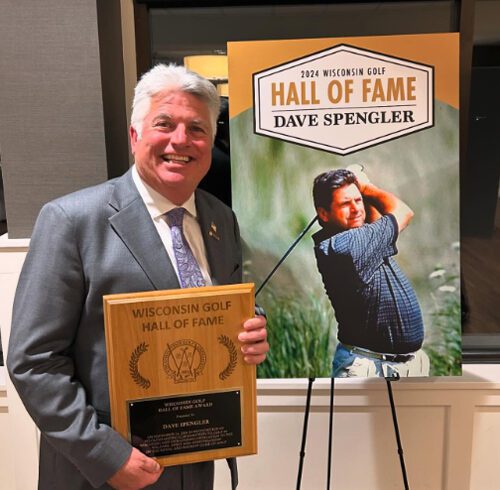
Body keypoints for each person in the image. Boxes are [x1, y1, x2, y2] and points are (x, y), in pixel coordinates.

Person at [7, 64, 269, 490]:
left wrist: (250, 329)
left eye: (197, 129)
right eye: (164, 124)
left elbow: (211, 308)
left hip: (196, 461)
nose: (180, 141)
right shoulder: (72, 221)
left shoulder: (222, 220)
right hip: (102, 474)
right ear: (135, 137)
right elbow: (34, 361)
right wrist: (104, 456)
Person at [312, 166, 429, 378]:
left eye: (358, 200)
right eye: (345, 204)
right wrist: (366, 187)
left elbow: (374, 221)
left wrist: (360, 191)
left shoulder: (353, 239)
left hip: (394, 364)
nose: (356, 209)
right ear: (323, 213)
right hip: (366, 366)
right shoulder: (345, 247)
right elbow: (403, 212)